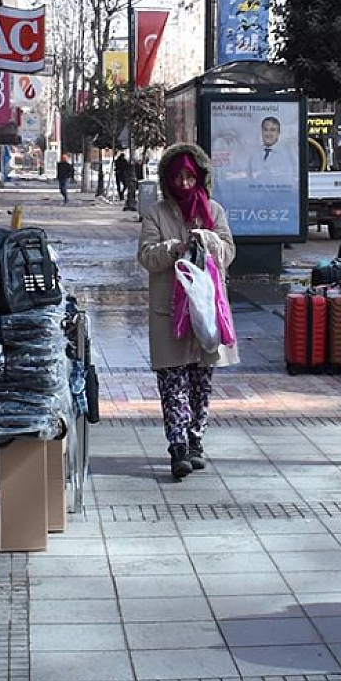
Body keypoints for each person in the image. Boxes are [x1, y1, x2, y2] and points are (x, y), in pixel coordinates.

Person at [138, 143, 237, 481]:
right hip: (169, 313)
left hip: (206, 312)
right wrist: (173, 248)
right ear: (167, 178)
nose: (183, 183)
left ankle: (196, 441)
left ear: (200, 177)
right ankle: (177, 447)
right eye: (177, 176)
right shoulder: (156, 213)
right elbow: (147, 257)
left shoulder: (214, 210)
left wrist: (208, 240)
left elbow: (228, 251)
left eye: (189, 176)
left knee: (200, 384)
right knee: (172, 383)